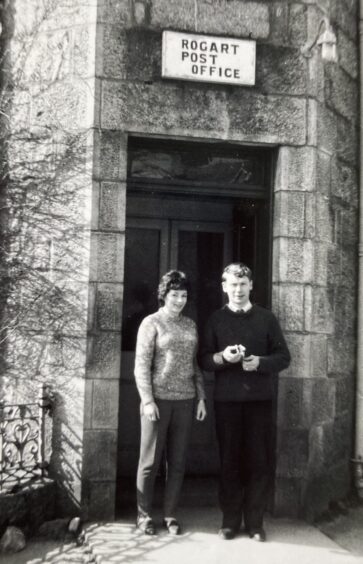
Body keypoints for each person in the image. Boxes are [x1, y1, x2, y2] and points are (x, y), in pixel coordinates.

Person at [199, 263, 290, 542]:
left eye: (242, 284)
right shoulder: (215, 319)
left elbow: (284, 357)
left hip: (259, 402)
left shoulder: (266, 319)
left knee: (258, 462)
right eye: (232, 285)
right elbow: (203, 360)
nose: (238, 290)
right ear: (224, 287)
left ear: (251, 286)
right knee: (230, 462)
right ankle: (229, 521)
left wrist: (260, 363)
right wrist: (223, 358)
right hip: (227, 402)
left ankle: (255, 523)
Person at [134, 270, 207, 536]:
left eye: (183, 295)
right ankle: (144, 516)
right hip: (158, 403)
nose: (179, 300)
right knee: (149, 462)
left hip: (185, 401)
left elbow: (195, 364)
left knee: (177, 462)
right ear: (164, 296)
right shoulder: (151, 323)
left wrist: (200, 397)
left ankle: (170, 514)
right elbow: (141, 365)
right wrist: (148, 400)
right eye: (174, 295)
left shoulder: (190, 325)